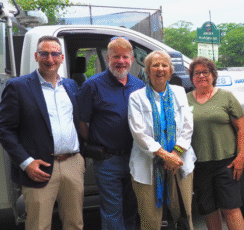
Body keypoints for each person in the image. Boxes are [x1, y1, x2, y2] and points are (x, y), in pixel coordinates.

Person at [0, 36, 84, 230]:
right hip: (38, 168)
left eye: (55, 54)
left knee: (75, 223)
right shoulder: (18, 86)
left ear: (62, 58)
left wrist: (80, 158)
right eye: (44, 54)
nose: (50, 59)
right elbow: (5, 128)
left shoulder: (70, 85)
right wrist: (25, 162)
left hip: (72, 163)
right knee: (38, 225)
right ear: (36, 56)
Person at [76, 37, 145, 230]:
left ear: (132, 59)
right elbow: (82, 123)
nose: (120, 61)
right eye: (116, 57)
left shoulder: (139, 85)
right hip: (108, 160)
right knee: (112, 212)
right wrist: (98, 145)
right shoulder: (92, 85)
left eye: (125, 56)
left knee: (131, 209)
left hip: (136, 158)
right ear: (108, 58)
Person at [128, 50, 196, 230]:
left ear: (170, 71)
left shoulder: (180, 92)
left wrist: (175, 153)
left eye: (164, 65)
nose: (160, 69)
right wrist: (165, 155)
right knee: (150, 220)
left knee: (183, 215)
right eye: (155, 65)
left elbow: (188, 126)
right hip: (148, 165)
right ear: (147, 71)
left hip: (179, 162)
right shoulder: (136, 97)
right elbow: (139, 133)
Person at [187, 56, 244, 230]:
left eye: (205, 72)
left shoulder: (226, 97)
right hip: (199, 164)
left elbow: (241, 128)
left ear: (213, 75)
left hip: (226, 163)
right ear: (192, 77)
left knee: (231, 208)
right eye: (196, 73)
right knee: (209, 209)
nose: (201, 76)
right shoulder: (186, 99)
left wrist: (241, 156)